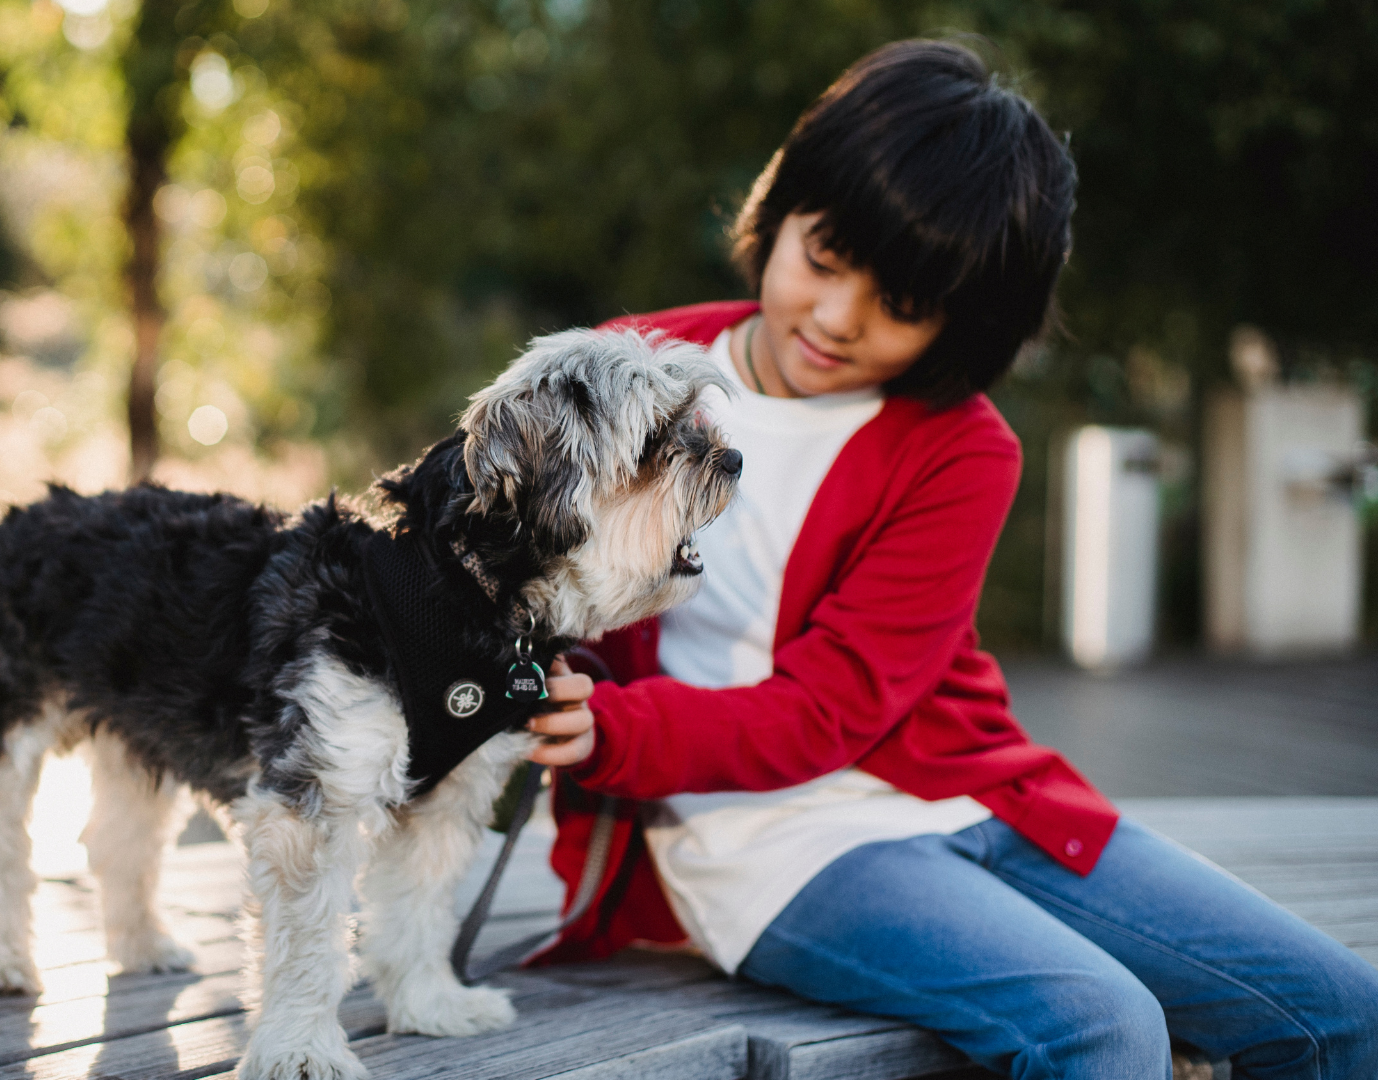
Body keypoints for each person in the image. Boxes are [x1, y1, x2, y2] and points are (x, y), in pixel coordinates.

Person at [514, 38, 1378, 1079]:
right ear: (778, 211)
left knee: (1338, 1014)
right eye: (823, 261)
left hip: (973, 798)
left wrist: (618, 726)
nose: (836, 320)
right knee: (1102, 1027)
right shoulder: (630, 370)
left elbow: (835, 706)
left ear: (968, 321)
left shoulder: (963, 447)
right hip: (761, 837)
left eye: (903, 306)